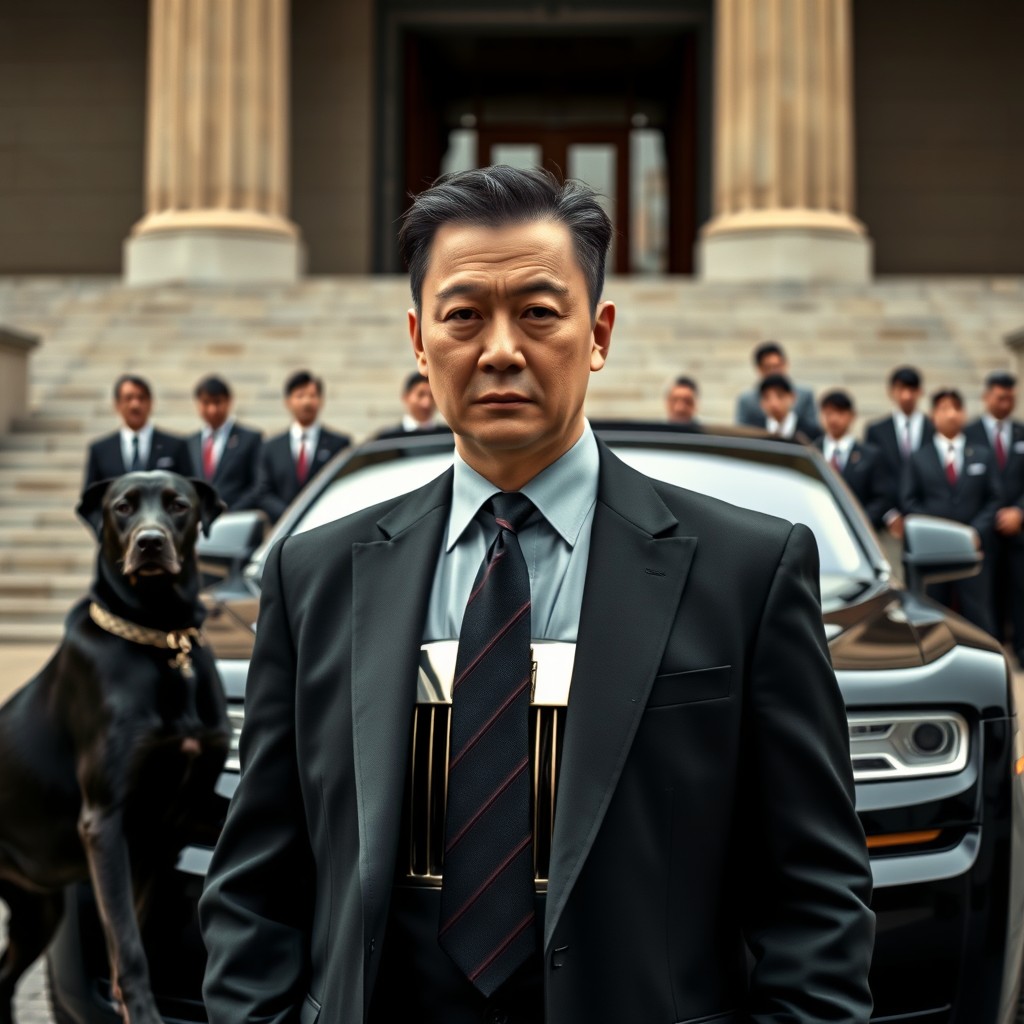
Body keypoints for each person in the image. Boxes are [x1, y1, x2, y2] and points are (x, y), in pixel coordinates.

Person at [200, 166, 873, 1024]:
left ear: (598, 332)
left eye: (540, 313)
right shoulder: (317, 576)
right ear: (418, 338)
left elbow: (814, 894)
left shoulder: (747, 572)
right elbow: (258, 879)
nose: (502, 349)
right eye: (464, 316)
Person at [901, 387, 1001, 634]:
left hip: (973, 548)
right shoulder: (919, 458)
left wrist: (976, 530)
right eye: (944, 408)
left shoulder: (982, 455)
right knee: (933, 611)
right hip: (934, 552)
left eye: (956, 408)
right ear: (933, 415)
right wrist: (934, 532)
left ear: (964, 414)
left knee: (978, 611)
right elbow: (908, 500)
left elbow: (995, 498)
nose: (951, 414)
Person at [965, 371, 1024, 662]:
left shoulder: (1021, 433)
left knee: (1019, 590)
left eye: (1011, 398)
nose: (1006, 403)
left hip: (1018, 530)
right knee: (984, 593)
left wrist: (1019, 512)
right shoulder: (969, 433)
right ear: (987, 397)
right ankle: (991, 650)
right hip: (983, 528)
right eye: (1001, 397)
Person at [254, 370, 351, 523]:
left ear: (321, 400)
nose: (306, 402)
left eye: (312, 396)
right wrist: (290, 516)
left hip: (324, 524)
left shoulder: (339, 444)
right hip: (283, 529)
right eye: (300, 396)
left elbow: (343, 487)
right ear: (288, 401)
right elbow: (263, 493)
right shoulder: (271, 447)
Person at [82, 374, 193, 494]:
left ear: (151, 403)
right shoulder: (100, 450)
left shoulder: (175, 446)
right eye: (128, 398)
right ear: (117, 404)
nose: (135, 405)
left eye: (141, 398)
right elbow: (90, 501)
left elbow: (189, 494)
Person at [865, 366, 934, 541]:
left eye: (911, 389)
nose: (906, 396)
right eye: (901, 389)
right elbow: (875, 477)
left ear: (920, 392)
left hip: (928, 517)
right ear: (891, 392)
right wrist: (889, 514)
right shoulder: (876, 431)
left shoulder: (933, 429)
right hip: (888, 522)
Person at [187, 375, 263, 512]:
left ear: (228, 402)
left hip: (236, 519)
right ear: (198, 404)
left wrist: (230, 513)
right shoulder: (191, 442)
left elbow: (257, 485)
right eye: (206, 403)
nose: (212, 409)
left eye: (217, 402)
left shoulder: (250, 439)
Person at [815, 390, 889, 528]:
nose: (834, 419)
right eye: (829, 413)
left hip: (857, 529)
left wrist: (858, 523)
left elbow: (881, 499)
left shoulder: (870, 455)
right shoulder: (812, 451)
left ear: (852, 416)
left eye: (840, 413)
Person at [735, 341, 818, 428]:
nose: (774, 372)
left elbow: (812, 428)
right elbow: (741, 431)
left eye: (777, 366)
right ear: (759, 369)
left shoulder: (804, 395)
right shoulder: (747, 400)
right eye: (768, 368)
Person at [375, 370, 450, 439]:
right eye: (420, 395)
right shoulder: (388, 438)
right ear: (406, 397)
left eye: (432, 396)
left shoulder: (447, 436)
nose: (427, 403)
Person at [753, 373, 823, 441]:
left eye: (780, 396)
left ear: (792, 397)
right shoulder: (754, 431)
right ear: (761, 402)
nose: (774, 404)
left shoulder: (811, 433)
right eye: (766, 398)